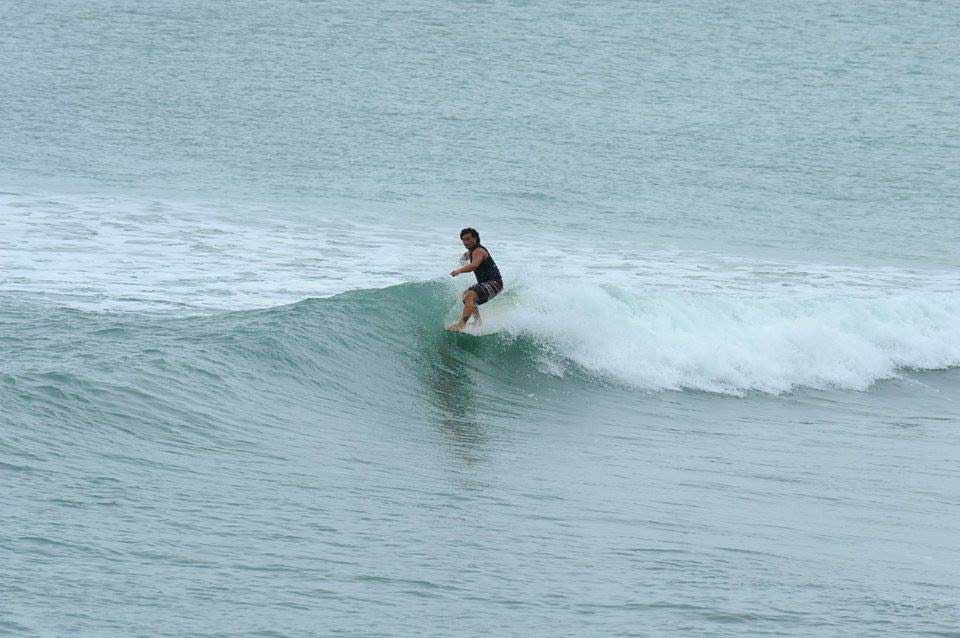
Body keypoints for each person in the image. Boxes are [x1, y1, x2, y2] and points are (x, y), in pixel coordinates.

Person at [446, 228, 503, 331]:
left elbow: (474, 265)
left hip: (494, 283)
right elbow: (466, 255)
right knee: (465, 295)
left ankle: (461, 325)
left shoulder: (479, 251)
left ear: (475, 238)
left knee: (470, 296)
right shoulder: (471, 251)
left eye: (468, 239)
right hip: (485, 283)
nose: (465, 242)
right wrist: (463, 260)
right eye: (463, 240)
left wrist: (459, 270)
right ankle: (478, 322)